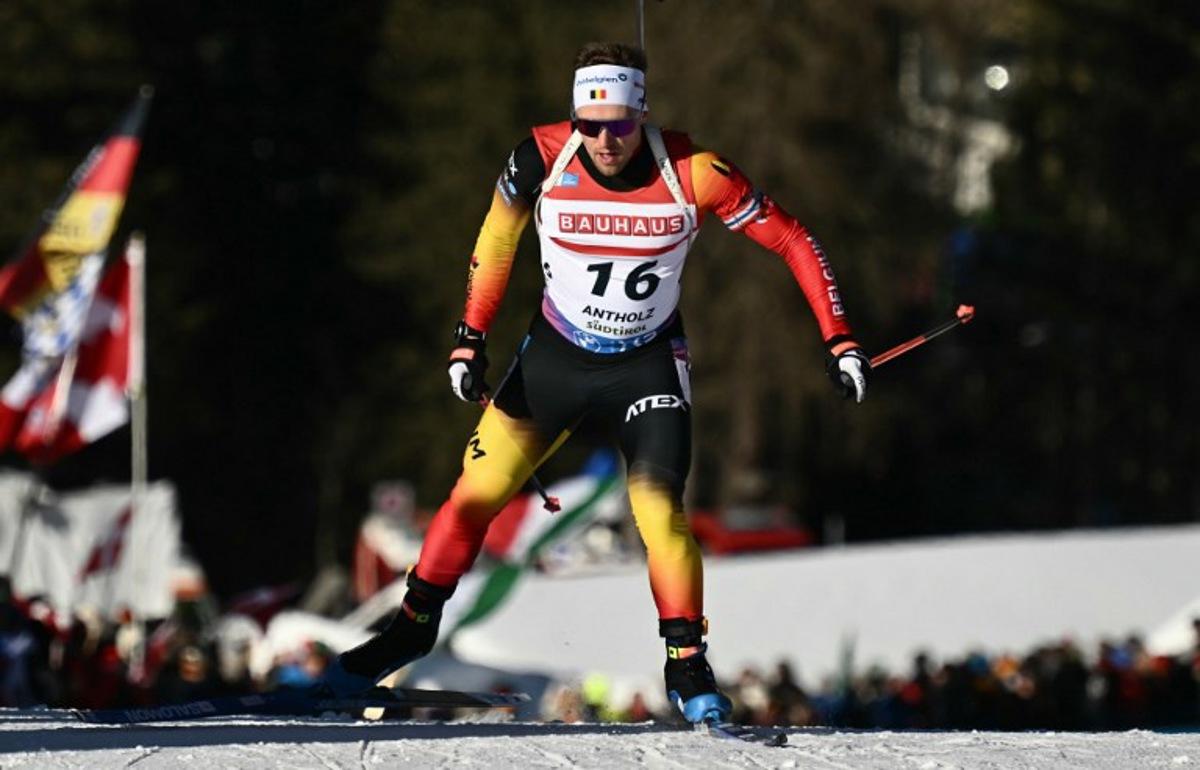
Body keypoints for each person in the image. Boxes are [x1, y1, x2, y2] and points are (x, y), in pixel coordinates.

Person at [321, 41, 869, 724]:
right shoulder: (540, 158)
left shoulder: (695, 172)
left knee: (659, 514)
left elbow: (792, 238)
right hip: (556, 359)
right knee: (471, 498)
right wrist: (470, 337)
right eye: (590, 124)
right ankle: (409, 630)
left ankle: (687, 665)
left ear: (642, 113)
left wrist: (839, 338)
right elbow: (496, 241)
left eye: (620, 125)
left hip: (646, 364)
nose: (605, 141)